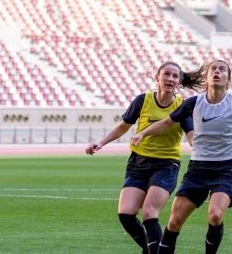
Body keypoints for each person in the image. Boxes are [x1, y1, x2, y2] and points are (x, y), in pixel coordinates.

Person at [130, 59, 232, 254]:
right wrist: (142, 133)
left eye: (222, 70)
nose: (216, 72)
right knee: (174, 222)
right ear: (206, 78)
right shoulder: (193, 103)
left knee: (215, 216)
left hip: (225, 169)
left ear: (228, 80)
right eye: (213, 69)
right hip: (197, 169)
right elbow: (165, 123)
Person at [86, 62, 203, 254]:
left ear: (179, 82)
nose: (170, 79)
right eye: (166, 74)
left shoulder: (182, 106)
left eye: (175, 76)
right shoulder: (142, 100)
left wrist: (199, 145)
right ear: (157, 77)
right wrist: (101, 142)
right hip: (138, 162)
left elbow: (191, 135)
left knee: (149, 212)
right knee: (126, 214)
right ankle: (150, 250)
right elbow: (123, 127)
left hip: (166, 164)